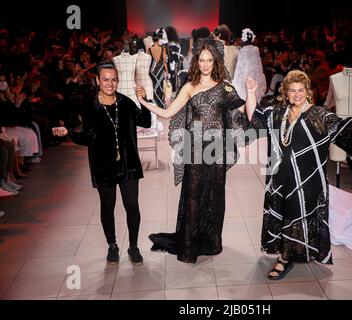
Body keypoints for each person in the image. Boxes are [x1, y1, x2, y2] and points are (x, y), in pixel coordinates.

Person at [245, 70, 352, 280]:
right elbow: (254, 116)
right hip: (280, 179)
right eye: (292, 90)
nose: (297, 94)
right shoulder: (277, 113)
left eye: (301, 90)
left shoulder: (319, 115)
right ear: (285, 93)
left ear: (308, 92)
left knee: (298, 213)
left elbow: (344, 127)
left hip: (308, 181)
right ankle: (290, 252)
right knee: (284, 214)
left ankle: (285, 258)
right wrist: (250, 92)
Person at [136, 44, 250, 263]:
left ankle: (211, 241)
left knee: (215, 196)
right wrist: (144, 102)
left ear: (215, 62)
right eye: (202, 60)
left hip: (216, 150)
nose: (205, 64)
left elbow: (242, 110)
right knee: (193, 196)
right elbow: (169, 112)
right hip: (195, 149)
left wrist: (251, 92)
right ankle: (188, 245)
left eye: (210, 60)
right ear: (196, 62)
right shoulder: (189, 86)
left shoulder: (225, 88)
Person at [52, 62, 152, 265]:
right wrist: (68, 134)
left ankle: (133, 246)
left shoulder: (125, 103)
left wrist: (143, 99)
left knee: (132, 205)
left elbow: (146, 121)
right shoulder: (90, 107)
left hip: (128, 164)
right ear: (98, 80)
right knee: (107, 206)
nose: (110, 83)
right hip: (103, 166)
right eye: (105, 79)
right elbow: (85, 137)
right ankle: (112, 245)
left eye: (113, 79)